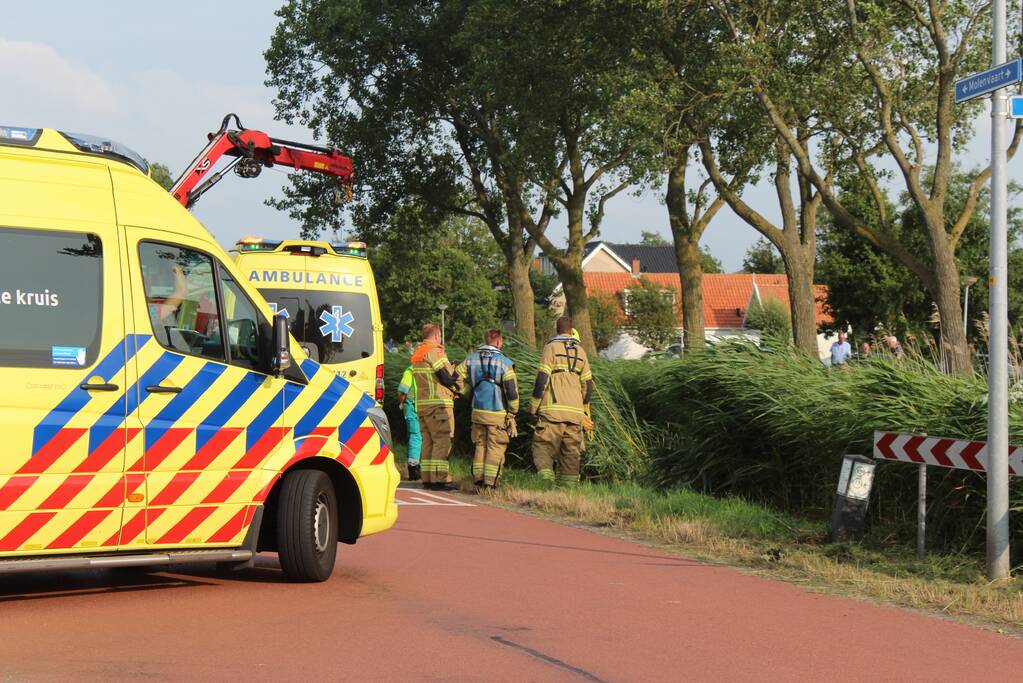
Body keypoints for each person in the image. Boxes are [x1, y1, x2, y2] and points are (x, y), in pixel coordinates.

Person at [531, 316, 594, 487]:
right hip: (575, 413)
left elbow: (542, 379)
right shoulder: (581, 352)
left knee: (543, 446)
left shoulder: (550, 348)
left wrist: (534, 406)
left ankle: (545, 483)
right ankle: (568, 490)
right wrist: (583, 409)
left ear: (557, 330)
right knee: (571, 453)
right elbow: (588, 385)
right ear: (570, 330)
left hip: (553, 411)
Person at [457, 329, 519, 491]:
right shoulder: (505, 363)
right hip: (498, 413)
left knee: (480, 445)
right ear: (499, 342)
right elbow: (511, 391)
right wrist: (513, 411)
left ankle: (478, 479)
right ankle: (490, 483)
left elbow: (455, 376)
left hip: (477, 411)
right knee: (495, 446)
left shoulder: (472, 359)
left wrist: (466, 392)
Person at [410, 323, 460, 490]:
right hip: (438, 404)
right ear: (438, 335)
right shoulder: (435, 351)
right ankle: (440, 480)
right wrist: (456, 378)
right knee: (442, 442)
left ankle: (428, 479)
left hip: (422, 405)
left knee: (428, 443)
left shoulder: (417, 352)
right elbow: (445, 378)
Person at [397, 363, 422, 481]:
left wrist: (402, 402)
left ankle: (414, 467)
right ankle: (414, 468)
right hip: (417, 409)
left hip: (413, 408)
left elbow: (402, 391)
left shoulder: (410, 372)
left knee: (415, 436)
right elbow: (403, 391)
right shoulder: (423, 371)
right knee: (417, 437)